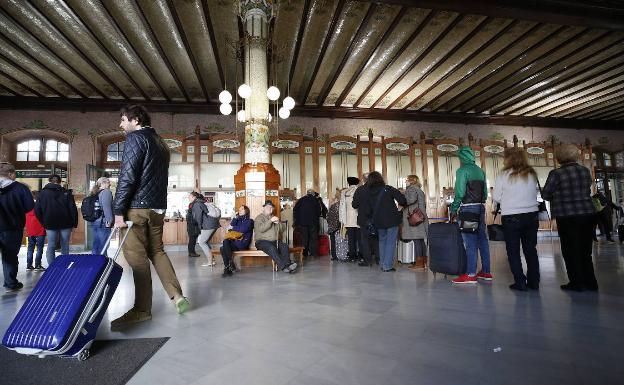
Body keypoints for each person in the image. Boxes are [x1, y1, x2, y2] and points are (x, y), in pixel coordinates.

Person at [112, 104, 189, 328]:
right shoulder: (161, 143)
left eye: (123, 119)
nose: (121, 124)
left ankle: (142, 310)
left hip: (136, 209)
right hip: (157, 208)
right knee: (157, 251)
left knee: (137, 259)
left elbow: (127, 177)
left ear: (136, 120)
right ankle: (177, 296)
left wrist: (118, 211)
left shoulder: (136, 139)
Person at [542, 144, 598, 292]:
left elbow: (545, 194)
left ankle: (577, 283)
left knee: (570, 250)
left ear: (559, 157)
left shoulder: (556, 173)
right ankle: (591, 283)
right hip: (587, 213)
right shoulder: (585, 171)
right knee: (585, 251)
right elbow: (588, 187)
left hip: (567, 216)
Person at [492, 148, 540, 291]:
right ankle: (534, 282)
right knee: (530, 250)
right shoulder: (531, 173)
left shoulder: (503, 174)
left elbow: (496, 197)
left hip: (511, 216)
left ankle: (520, 282)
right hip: (531, 215)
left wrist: (508, 199)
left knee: (513, 251)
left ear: (507, 159)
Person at [450, 146, 492, 285]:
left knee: (470, 242)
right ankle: (486, 272)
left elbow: (460, 193)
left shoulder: (462, 171)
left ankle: (470, 274)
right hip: (481, 207)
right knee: (483, 240)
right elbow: (485, 194)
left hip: (468, 210)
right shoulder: (480, 171)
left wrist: (454, 209)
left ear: (462, 157)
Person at [353, 171, 406, 271]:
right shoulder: (388, 188)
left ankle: (382, 264)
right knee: (390, 242)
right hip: (391, 220)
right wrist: (398, 209)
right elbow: (402, 200)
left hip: (378, 221)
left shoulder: (368, 192)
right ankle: (387, 266)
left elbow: (367, 210)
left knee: (382, 241)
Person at [0, 162, 35, 292]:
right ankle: (10, 283)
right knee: (10, 256)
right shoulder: (20, 188)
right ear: (11, 174)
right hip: (12, 228)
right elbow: (29, 207)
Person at [35, 174, 78, 266]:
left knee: (51, 245)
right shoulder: (66, 193)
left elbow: (37, 210)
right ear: (59, 182)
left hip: (49, 222)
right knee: (65, 244)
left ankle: (52, 266)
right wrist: (74, 223)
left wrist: (43, 222)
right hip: (66, 222)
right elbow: (72, 209)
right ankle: (65, 264)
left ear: (49, 181)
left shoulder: (42, 193)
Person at [254, 200, 298, 273]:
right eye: (269, 207)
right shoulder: (259, 218)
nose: (271, 209)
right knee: (272, 248)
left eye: (272, 208)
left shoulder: (273, 217)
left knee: (284, 246)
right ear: (263, 208)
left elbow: (281, 229)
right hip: (261, 241)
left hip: (274, 241)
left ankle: (288, 265)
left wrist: (278, 223)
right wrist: (270, 221)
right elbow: (261, 229)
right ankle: (283, 267)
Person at [401, 175, 428, 270]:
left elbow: (410, 200)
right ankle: (424, 261)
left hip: (414, 217)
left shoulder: (411, 189)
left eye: (407, 180)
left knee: (416, 239)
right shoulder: (419, 189)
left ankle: (419, 263)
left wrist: (402, 198)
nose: (406, 182)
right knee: (420, 240)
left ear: (412, 181)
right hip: (420, 216)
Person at [220, 205, 254, 277]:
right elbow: (230, 228)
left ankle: (228, 267)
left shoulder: (250, 221)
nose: (239, 210)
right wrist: (235, 218)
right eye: (239, 209)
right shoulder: (237, 220)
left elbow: (243, 229)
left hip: (242, 243)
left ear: (246, 211)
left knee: (223, 248)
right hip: (234, 242)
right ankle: (229, 265)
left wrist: (233, 227)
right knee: (223, 245)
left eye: (242, 209)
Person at [192, 194, 221, 267]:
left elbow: (198, 217)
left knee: (201, 242)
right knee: (205, 242)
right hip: (214, 224)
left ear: (194, 197)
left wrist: (198, 227)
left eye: (190, 196)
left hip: (208, 225)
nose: (189, 198)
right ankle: (212, 260)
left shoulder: (197, 204)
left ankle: (210, 261)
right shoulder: (204, 202)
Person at [89, 177, 114, 256]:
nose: (109, 184)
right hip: (103, 222)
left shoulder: (95, 192)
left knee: (96, 245)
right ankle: (102, 265)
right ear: (103, 183)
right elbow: (107, 208)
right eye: (108, 182)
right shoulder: (106, 192)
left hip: (95, 221)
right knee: (103, 246)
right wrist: (109, 221)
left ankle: (95, 264)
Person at [293, 189, 322, 259]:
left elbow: (295, 210)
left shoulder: (301, 200)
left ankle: (304, 253)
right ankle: (313, 254)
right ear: (313, 194)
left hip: (302, 223)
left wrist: (298, 220)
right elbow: (319, 212)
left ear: (307, 193)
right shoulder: (315, 200)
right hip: (313, 223)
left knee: (304, 238)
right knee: (313, 238)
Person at [339, 176, 360, 262]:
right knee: (360, 238)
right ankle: (361, 255)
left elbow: (341, 206)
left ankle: (352, 256)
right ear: (357, 183)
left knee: (351, 239)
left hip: (348, 219)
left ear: (348, 183)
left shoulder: (344, 192)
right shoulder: (359, 190)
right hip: (358, 218)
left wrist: (342, 220)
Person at [25, 192, 46, 271]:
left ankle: (29, 265)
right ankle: (37, 265)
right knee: (39, 248)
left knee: (30, 248)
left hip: (30, 230)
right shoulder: (41, 206)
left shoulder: (27, 207)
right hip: (40, 229)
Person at [327, 190, 342, 261]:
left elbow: (328, 217)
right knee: (340, 241)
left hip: (332, 227)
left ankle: (334, 256)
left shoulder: (333, 205)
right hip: (338, 227)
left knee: (333, 242)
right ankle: (341, 254)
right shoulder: (341, 205)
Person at [186, 193, 201, 258]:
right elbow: (194, 216)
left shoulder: (194, 204)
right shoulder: (193, 204)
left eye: (190, 196)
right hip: (193, 225)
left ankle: (192, 252)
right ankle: (191, 253)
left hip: (192, 225)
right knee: (192, 239)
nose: (188, 197)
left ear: (194, 197)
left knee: (192, 239)